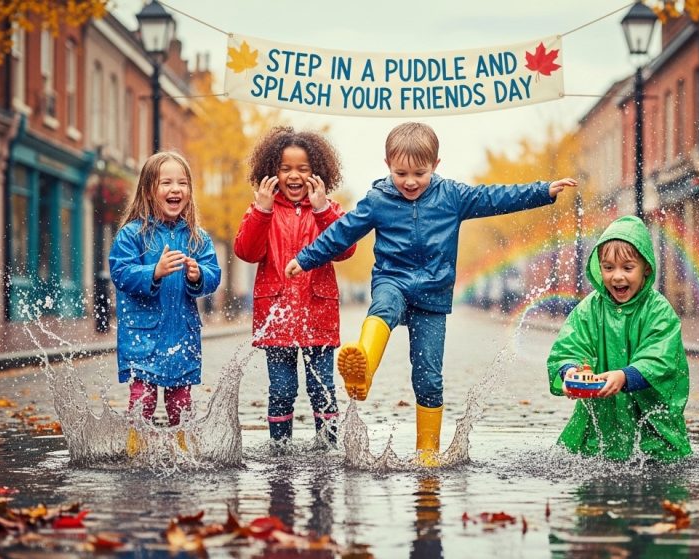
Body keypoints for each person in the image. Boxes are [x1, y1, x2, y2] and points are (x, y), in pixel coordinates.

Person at [284, 121, 577, 466]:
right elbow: (342, 232)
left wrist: (543, 191)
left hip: (433, 295)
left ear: (435, 165)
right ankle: (363, 365)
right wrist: (306, 258)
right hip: (392, 280)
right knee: (383, 307)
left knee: (428, 376)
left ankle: (427, 452)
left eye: (419, 173)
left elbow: (496, 197)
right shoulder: (378, 200)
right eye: (400, 173)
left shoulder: (452, 196)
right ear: (388, 165)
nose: (409, 181)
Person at [234, 127, 355, 446]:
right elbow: (247, 251)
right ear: (271, 171)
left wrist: (322, 210)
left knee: (321, 388)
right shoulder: (262, 208)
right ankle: (279, 447)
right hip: (276, 314)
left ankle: (327, 445)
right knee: (281, 390)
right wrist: (262, 211)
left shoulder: (328, 208)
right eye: (285, 168)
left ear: (317, 172)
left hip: (318, 311)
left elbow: (346, 249)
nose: (294, 175)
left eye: (303, 168)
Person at [546, 215, 691, 462]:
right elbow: (569, 347)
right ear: (599, 267)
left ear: (646, 268)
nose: (617, 276)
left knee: (657, 475)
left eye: (627, 268)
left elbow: (661, 358)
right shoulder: (589, 309)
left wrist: (626, 376)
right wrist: (569, 372)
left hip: (654, 435)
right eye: (608, 267)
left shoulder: (658, 311)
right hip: (598, 434)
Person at [109, 150, 222, 456]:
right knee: (142, 398)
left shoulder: (197, 238)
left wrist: (199, 275)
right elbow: (120, 273)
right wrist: (154, 272)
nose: (176, 189)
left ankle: (184, 452)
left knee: (180, 401)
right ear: (148, 190)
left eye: (182, 183)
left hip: (182, 333)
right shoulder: (132, 235)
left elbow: (213, 273)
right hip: (143, 335)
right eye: (167, 183)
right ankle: (136, 453)